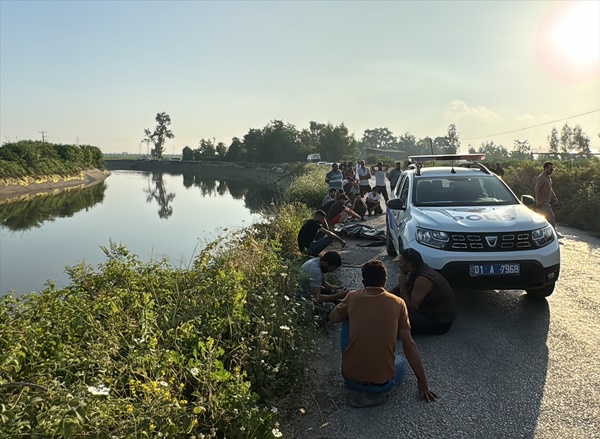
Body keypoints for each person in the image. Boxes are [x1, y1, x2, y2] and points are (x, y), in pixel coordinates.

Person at [329, 259, 438, 407]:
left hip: (350, 379)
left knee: (346, 317)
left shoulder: (352, 297)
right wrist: (422, 382)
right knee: (400, 361)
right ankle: (377, 391)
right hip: (383, 383)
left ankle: (356, 370)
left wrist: (347, 305)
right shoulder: (398, 303)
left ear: (363, 281)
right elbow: (408, 344)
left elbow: (333, 318)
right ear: (385, 281)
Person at [390, 248, 456, 335]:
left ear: (409, 265)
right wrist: (381, 297)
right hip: (425, 311)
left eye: (401, 263)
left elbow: (412, 307)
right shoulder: (414, 271)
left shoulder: (423, 279)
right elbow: (395, 292)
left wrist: (402, 285)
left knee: (392, 320)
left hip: (438, 322)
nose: (399, 265)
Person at [535, 161, 559, 229]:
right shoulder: (541, 178)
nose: (552, 171)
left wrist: (554, 196)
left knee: (539, 218)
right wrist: (538, 200)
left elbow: (550, 188)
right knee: (551, 217)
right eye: (550, 169)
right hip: (543, 202)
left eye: (552, 169)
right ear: (545, 168)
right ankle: (553, 232)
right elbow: (537, 189)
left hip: (546, 201)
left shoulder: (548, 178)